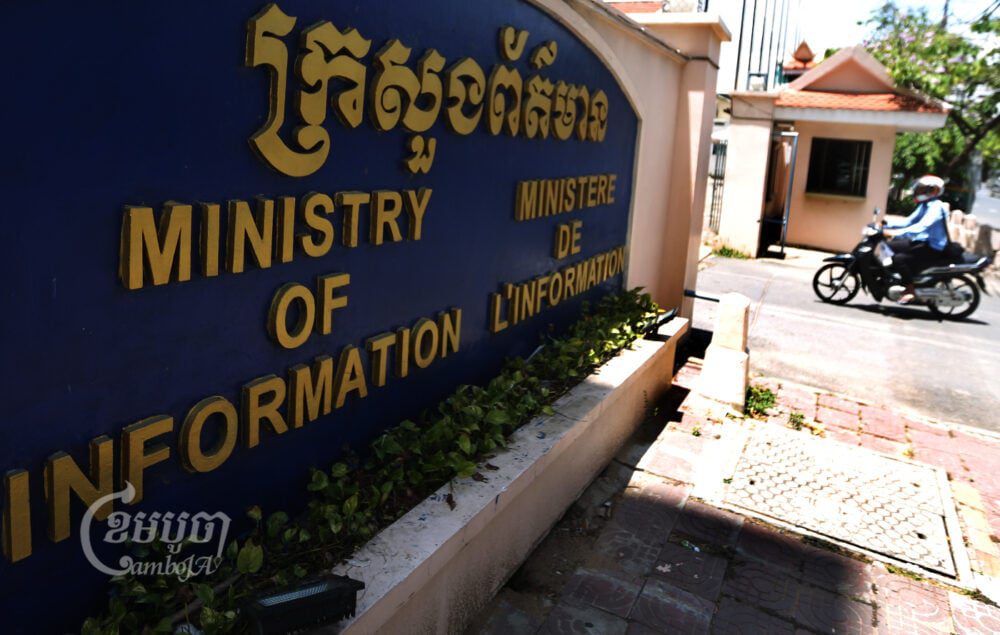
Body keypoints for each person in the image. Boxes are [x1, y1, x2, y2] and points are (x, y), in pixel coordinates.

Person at [882, 175, 950, 303]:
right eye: (919, 189)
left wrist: (895, 233)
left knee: (899, 259)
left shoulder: (936, 207)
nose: (918, 192)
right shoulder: (925, 205)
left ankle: (909, 289)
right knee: (887, 246)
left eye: (922, 189)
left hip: (932, 248)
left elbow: (921, 227)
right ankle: (892, 277)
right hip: (923, 242)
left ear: (934, 190)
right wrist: (885, 225)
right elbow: (908, 222)